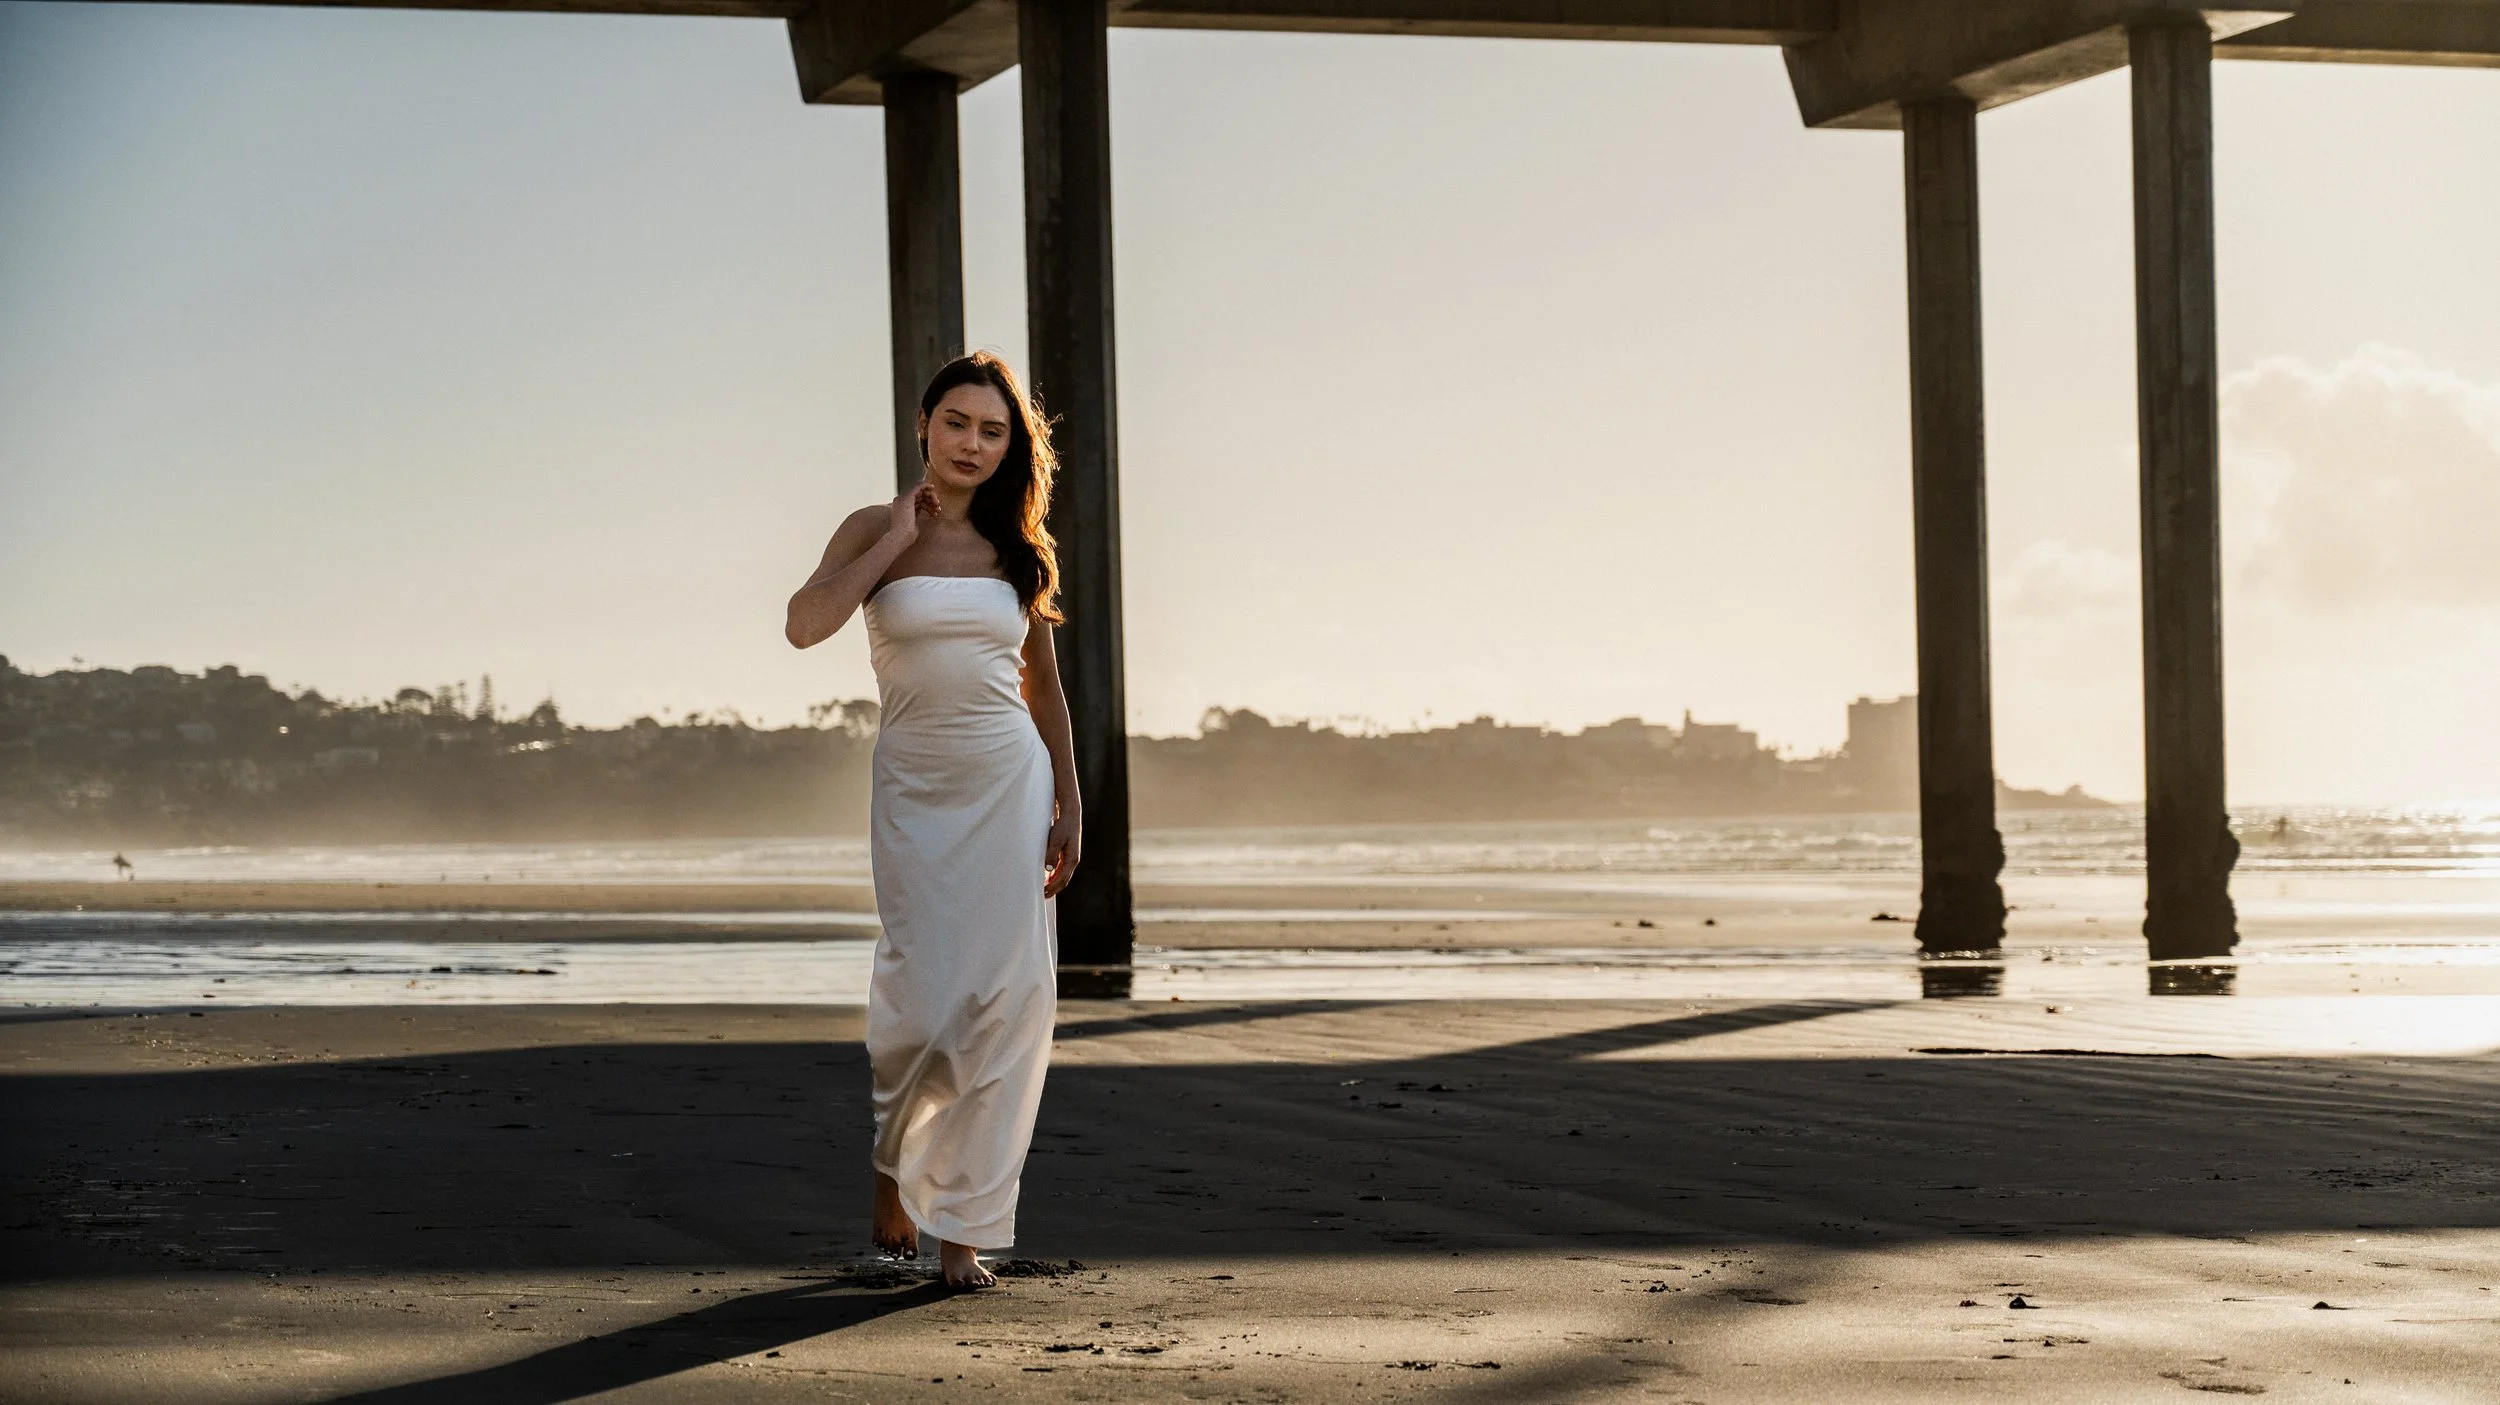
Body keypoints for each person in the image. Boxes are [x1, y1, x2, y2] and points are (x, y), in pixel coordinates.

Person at [784, 351, 1081, 1290]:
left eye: (994, 431)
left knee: (1005, 1001)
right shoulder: (873, 528)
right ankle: (891, 1169)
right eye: (958, 423)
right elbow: (803, 623)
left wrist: (1069, 799)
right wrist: (893, 540)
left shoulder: (1019, 545)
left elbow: (1045, 690)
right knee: (922, 999)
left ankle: (962, 1231)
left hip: (1009, 783)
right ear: (924, 424)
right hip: (914, 787)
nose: (974, 444)